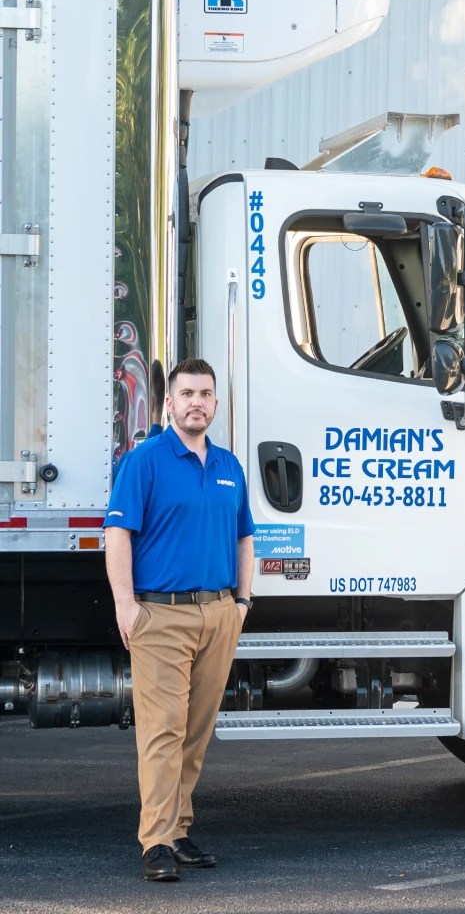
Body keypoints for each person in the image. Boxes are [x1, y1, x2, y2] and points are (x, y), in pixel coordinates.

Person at [103, 358, 255, 883]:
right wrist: (126, 605)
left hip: (218, 614)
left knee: (195, 732)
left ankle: (179, 831)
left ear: (215, 403)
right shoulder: (143, 462)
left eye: (205, 394)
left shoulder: (230, 467)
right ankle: (155, 842)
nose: (197, 401)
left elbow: (245, 538)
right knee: (162, 732)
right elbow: (117, 536)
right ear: (169, 403)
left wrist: (241, 604)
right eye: (187, 393)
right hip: (160, 616)